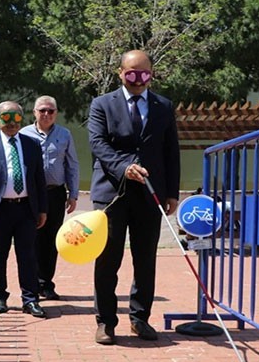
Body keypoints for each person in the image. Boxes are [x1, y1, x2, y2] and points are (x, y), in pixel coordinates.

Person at [87, 49, 180, 345]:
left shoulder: (163, 106)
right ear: (120, 73)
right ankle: (106, 322)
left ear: (151, 74)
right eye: (131, 74)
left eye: (144, 74)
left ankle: (140, 319)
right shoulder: (102, 104)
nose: (138, 80)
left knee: (145, 260)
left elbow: (170, 152)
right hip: (111, 194)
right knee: (108, 260)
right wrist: (124, 167)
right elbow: (98, 144)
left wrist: (172, 193)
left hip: (150, 195)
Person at [0, 101, 48, 319]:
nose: (12, 122)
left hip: (26, 208)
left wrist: (42, 209)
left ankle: (30, 300)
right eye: (7, 117)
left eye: (16, 117)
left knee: (28, 255)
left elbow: (38, 179)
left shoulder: (32, 144)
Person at [20, 96, 80, 300]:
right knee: (30, 239)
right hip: (31, 194)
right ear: (34, 112)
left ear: (56, 113)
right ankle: (31, 284)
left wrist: (73, 194)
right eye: (42, 110)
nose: (46, 114)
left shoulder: (65, 135)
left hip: (55, 193)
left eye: (51, 111)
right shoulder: (22, 134)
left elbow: (72, 165)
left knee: (52, 239)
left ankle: (46, 283)